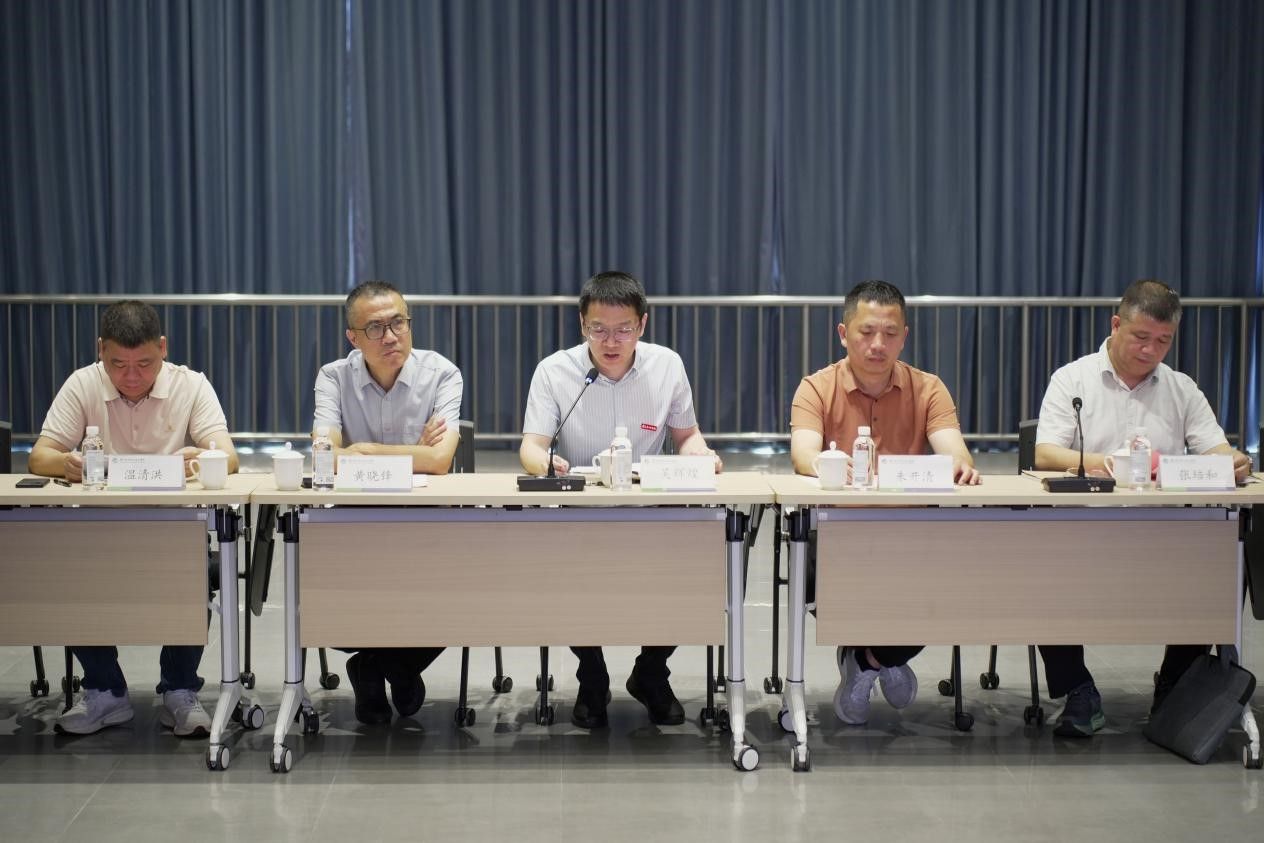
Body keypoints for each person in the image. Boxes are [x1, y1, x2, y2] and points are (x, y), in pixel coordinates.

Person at [1034, 278, 1251, 737]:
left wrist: (1232, 460)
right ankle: (1078, 690)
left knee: (1214, 571)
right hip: (1082, 529)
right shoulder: (1073, 379)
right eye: (1141, 337)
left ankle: (1175, 686)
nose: (1151, 350)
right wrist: (1110, 464)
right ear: (1116, 325)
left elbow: (1215, 448)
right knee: (1040, 573)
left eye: (1163, 341)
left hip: (1166, 531)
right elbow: (1046, 454)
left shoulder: (1181, 388)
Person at [519, 270, 722, 729]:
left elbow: (687, 436)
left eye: (623, 329)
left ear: (642, 324)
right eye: (598, 329)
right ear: (582, 325)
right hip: (578, 514)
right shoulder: (554, 371)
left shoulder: (667, 366)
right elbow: (532, 446)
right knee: (566, 576)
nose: (611, 341)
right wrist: (544, 463)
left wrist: (701, 454)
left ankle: (651, 671)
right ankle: (591, 674)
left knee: (696, 567)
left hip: (651, 513)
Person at [29, 300, 241, 737]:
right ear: (101, 350)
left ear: (163, 348)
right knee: (68, 571)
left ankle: (180, 690)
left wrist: (201, 458)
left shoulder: (190, 385)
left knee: (194, 569)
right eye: (118, 364)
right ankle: (104, 691)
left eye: (144, 364)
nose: (130, 377)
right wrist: (65, 464)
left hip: (174, 531)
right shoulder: (83, 383)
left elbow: (229, 456)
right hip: (96, 530)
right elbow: (39, 456)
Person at [789, 280, 980, 726]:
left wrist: (959, 465)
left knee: (953, 583)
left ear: (904, 336)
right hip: (837, 537)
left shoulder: (929, 388)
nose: (878, 344)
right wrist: (825, 465)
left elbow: (955, 451)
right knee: (840, 579)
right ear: (843, 333)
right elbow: (803, 454)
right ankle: (883, 656)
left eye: (890, 333)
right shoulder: (815, 387)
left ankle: (870, 659)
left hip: (914, 537)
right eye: (867, 331)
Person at [313, 279, 463, 724]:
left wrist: (366, 450)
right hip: (354, 529)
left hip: (429, 525)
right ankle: (392, 664)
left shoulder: (442, 374)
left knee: (467, 589)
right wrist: (412, 453)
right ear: (353, 338)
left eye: (399, 323)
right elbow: (324, 457)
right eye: (375, 328)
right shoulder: (333, 377)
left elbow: (439, 460)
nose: (391, 336)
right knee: (330, 590)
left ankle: (378, 665)